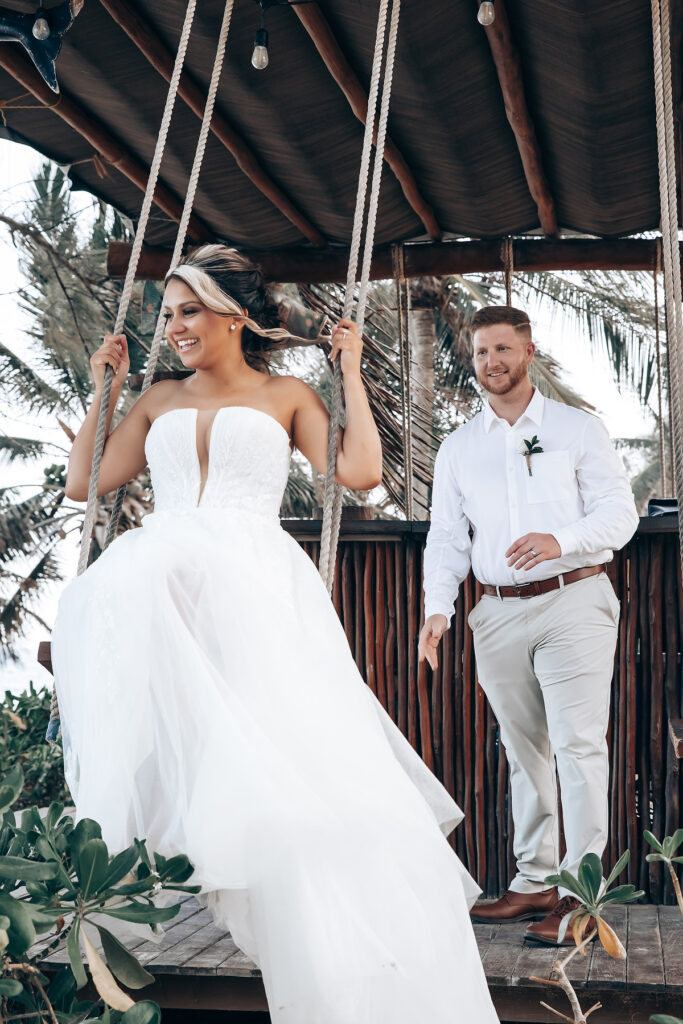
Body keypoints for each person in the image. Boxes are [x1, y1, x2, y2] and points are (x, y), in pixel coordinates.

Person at [51, 245, 499, 1023]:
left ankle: (353, 949)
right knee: (118, 584)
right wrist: (106, 387)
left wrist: (349, 371)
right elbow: (85, 477)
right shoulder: (157, 398)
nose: (176, 327)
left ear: (234, 315)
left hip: (253, 585)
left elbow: (361, 474)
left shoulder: (287, 393)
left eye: (189, 310)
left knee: (297, 769)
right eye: (168, 315)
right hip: (169, 576)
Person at [419, 305, 638, 946]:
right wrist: (439, 609)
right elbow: (446, 538)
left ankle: (582, 895)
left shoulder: (577, 429)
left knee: (577, 744)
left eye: (503, 349)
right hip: (495, 611)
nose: (492, 362)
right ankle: (534, 880)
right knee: (523, 751)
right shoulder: (459, 447)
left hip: (574, 598)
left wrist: (559, 540)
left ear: (529, 351)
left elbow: (618, 516)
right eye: (482, 352)